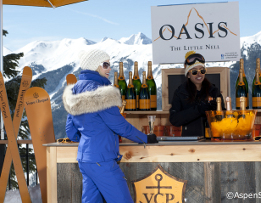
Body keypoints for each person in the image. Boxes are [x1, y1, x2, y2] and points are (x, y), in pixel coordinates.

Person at [62, 49, 158, 203]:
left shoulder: (74, 90)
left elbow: (71, 131)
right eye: (105, 65)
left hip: (85, 160)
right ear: (95, 66)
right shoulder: (102, 93)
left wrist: (91, 136)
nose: (109, 69)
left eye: (109, 64)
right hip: (102, 160)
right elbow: (120, 126)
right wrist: (146, 138)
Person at [170, 51, 225, 137]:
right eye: (194, 72)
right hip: (190, 141)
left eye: (202, 71)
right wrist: (198, 110)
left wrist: (216, 111)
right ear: (188, 75)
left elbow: (224, 116)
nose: (199, 74)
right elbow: (174, 120)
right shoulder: (180, 92)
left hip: (212, 139)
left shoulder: (214, 91)